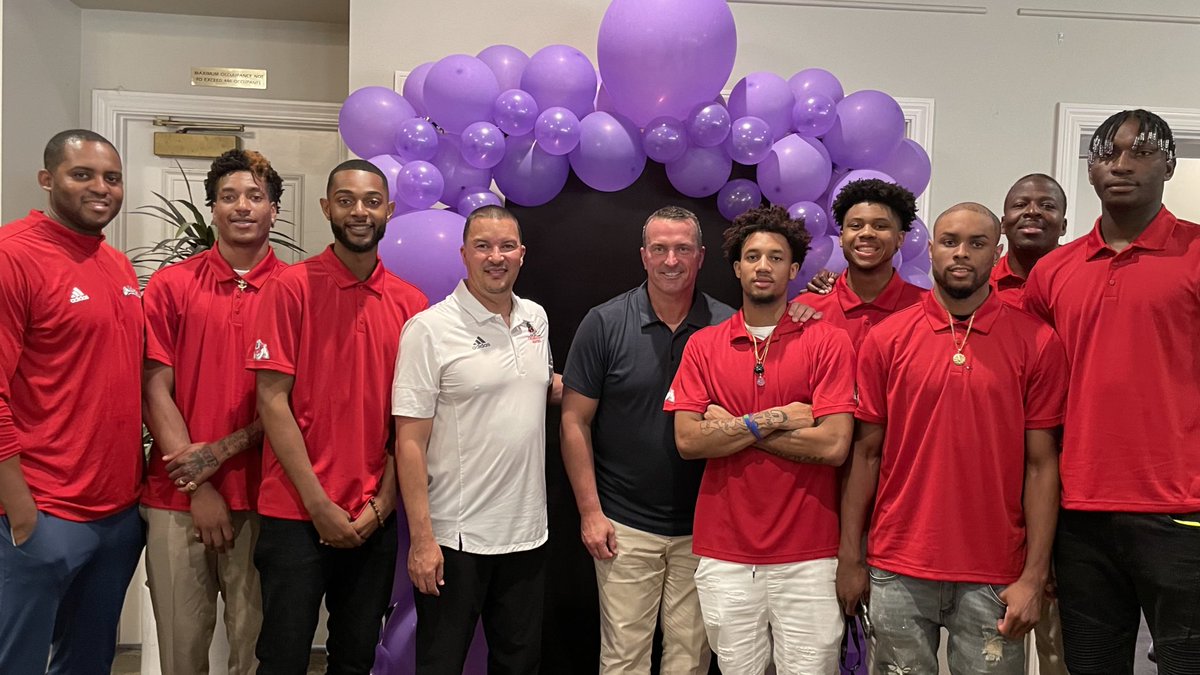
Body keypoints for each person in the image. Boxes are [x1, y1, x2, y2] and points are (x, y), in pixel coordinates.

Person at [838, 202, 1068, 674]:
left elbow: (1042, 465)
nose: (961, 253)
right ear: (930, 249)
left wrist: (1034, 575)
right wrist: (849, 558)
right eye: (950, 242)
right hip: (898, 564)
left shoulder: (1038, 341)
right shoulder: (886, 339)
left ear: (996, 253)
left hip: (996, 571)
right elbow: (866, 454)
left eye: (977, 243)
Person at [1024, 109, 1200, 674]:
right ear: (1090, 170)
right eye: (1106, 153)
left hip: (1182, 509)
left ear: (1168, 166)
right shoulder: (1052, 271)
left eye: (1140, 152)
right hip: (1080, 512)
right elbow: (1032, 391)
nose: (1121, 165)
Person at [248, 159, 427, 674]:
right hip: (295, 513)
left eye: (372, 201)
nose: (359, 212)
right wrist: (318, 504)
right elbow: (271, 401)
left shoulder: (411, 304)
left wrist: (383, 503)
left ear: (389, 210)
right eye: (346, 200)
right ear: (327, 208)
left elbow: (409, 420)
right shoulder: (290, 288)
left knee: (355, 657)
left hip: (372, 517)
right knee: (282, 658)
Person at [664, 204, 856, 674]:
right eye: (752, 257)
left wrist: (731, 425)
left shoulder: (828, 341)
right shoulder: (703, 345)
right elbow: (688, 441)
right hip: (725, 554)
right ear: (737, 268)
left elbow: (833, 446)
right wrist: (776, 419)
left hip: (810, 555)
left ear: (793, 269)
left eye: (775, 257)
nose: (763, 266)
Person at [560, 206, 732, 675]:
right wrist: (590, 513)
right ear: (643, 256)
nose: (670, 260)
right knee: (624, 660)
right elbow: (574, 422)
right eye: (660, 249)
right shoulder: (604, 322)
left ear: (700, 256)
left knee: (690, 660)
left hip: (704, 527)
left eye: (682, 249)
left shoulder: (728, 327)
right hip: (624, 525)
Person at [0, 129, 145, 673]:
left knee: (88, 662)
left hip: (116, 515)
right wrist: (21, 513)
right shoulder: (12, 256)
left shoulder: (117, 264)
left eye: (112, 177)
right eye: (82, 175)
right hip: (42, 512)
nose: (101, 188)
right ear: (47, 179)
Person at [394, 205, 561, 675]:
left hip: (527, 535)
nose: (495, 257)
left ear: (522, 254)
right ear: (464, 254)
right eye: (483, 246)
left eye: (506, 246)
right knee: (440, 665)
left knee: (519, 666)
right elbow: (409, 443)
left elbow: (536, 387)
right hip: (455, 541)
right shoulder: (429, 330)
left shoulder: (536, 318)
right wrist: (422, 541)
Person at [141, 149, 288, 675]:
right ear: (213, 209)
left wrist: (222, 454)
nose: (242, 206)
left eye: (255, 196)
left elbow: (296, 403)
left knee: (255, 656)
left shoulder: (297, 290)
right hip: (176, 500)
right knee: (181, 657)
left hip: (266, 499)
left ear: (274, 210)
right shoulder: (172, 285)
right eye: (228, 197)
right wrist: (197, 486)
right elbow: (153, 387)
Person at [799, 178, 925, 347]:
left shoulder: (928, 309)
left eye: (880, 226)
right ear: (842, 237)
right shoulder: (806, 310)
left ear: (900, 239)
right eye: (856, 225)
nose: (867, 233)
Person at [993, 174, 1068, 308]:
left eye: (1047, 206)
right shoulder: (981, 285)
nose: (1032, 211)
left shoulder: (1083, 278)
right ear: (1003, 225)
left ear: (1063, 226)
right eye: (1020, 205)